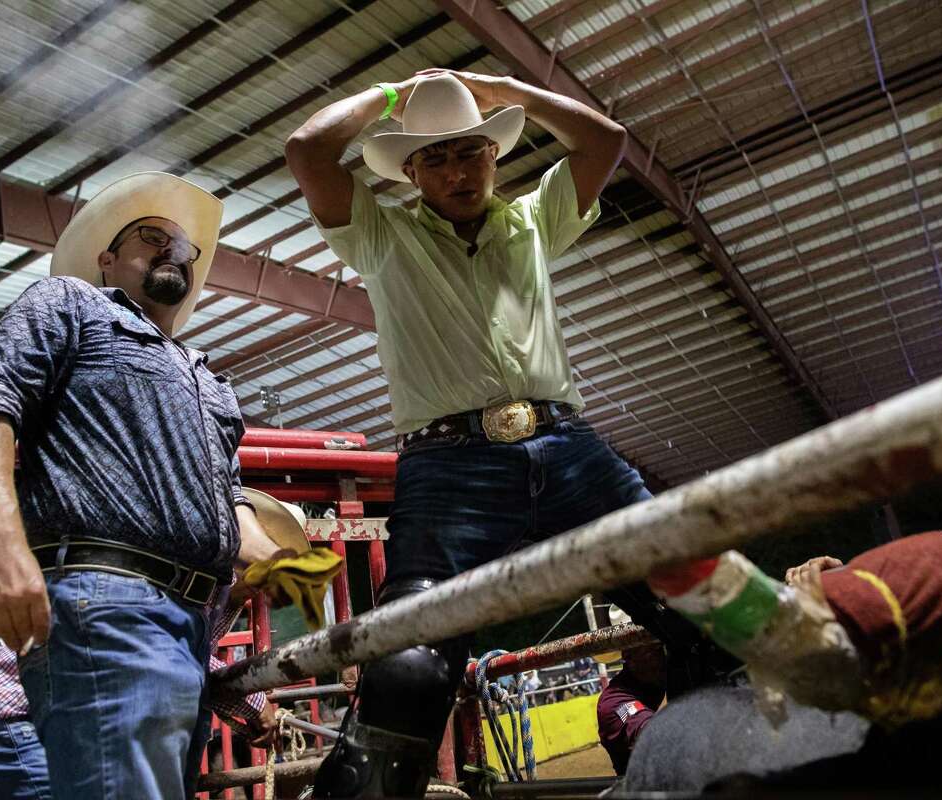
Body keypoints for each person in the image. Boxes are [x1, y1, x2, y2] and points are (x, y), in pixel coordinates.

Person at [286, 70, 722, 798]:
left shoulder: (532, 218)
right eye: (438, 158)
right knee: (410, 662)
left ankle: (723, 768)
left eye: (472, 152)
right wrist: (395, 96)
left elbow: (606, 140)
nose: (459, 171)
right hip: (448, 463)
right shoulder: (381, 234)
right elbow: (307, 148)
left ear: (494, 154)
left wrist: (506, 88)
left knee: (700, 595)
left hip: (568, 444)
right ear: (413, 171)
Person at [0, 172, 279, 800]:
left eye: (183, 246)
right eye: (150, 237)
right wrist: (0, 543)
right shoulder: (70, 303)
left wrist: (292, 567)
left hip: (182, 620)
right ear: (106, 259)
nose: (171, 249)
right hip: (108, 594)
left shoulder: (211, 383)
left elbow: (230, 501)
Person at [0, 489, 309, 800]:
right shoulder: (186, 574)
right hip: (17, 732)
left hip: (14, 731)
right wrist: (255, 706)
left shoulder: (209, 590)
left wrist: (244, 711)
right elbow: (172, 652)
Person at [597, 645, 666, 775]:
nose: (660, 656)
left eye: (661, 647)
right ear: (627, 654)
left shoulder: (652, 679)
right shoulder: (613, 702)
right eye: (651, 649)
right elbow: (647, 729)